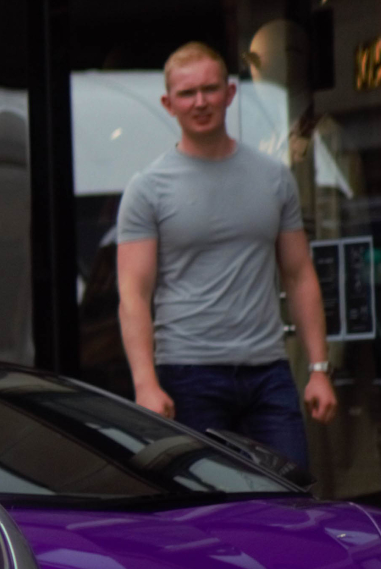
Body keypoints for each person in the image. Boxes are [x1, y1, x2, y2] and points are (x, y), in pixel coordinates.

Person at [116, 41, 333, 471]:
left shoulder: (274, 178)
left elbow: (300, 274)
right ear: (168, 103)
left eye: (210, 89)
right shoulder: (148, 188)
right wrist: (146, 384)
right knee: (207, 513)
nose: (200, 102)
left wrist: (320, 368)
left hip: (268, 372)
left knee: (292, 505)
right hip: (188, 375)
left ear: (230, 93)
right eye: (187, 93)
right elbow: (133, 293)